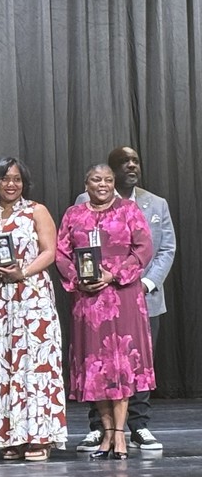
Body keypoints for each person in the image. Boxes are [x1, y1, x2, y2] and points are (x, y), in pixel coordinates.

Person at [74, 147, 176, 452]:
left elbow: (165, 249)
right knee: (98, 361)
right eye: (124, 163)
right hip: (96, 298)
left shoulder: (156, 204)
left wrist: (144, 283)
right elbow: (78, 250)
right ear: (108, 171)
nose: (131, 166)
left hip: (141, 296)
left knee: (136, 362)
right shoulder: (83, 203)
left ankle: (139, 425)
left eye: (135, 162)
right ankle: (98, 427)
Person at [57, 164, 154, 460]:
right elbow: (61, 252)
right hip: (88, 301)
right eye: (96, 179)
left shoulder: (129, 210)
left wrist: (113, 275)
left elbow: (144, 247)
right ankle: (107, 432)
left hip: (123, 297)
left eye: (108, 180)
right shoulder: (74, 214)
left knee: (121, 362)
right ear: (85, 183)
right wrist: (79, 279)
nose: (103, 184)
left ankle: (121, 435)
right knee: (95, 365)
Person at [0, 158, 67, 461]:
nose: (11, 184)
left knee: (35, 367)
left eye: (16, 179)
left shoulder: (36, 211)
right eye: (5, 179)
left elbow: (50, 251)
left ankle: (39, 436)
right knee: (1, 366)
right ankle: (9, 437)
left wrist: (22, 272)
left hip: (32, 299)